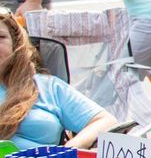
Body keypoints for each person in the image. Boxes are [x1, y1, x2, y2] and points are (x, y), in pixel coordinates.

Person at [0, 11, 117, 149]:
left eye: (0, 37)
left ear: (15, 43)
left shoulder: (47, 87)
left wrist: (70, 150)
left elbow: (105, 121)